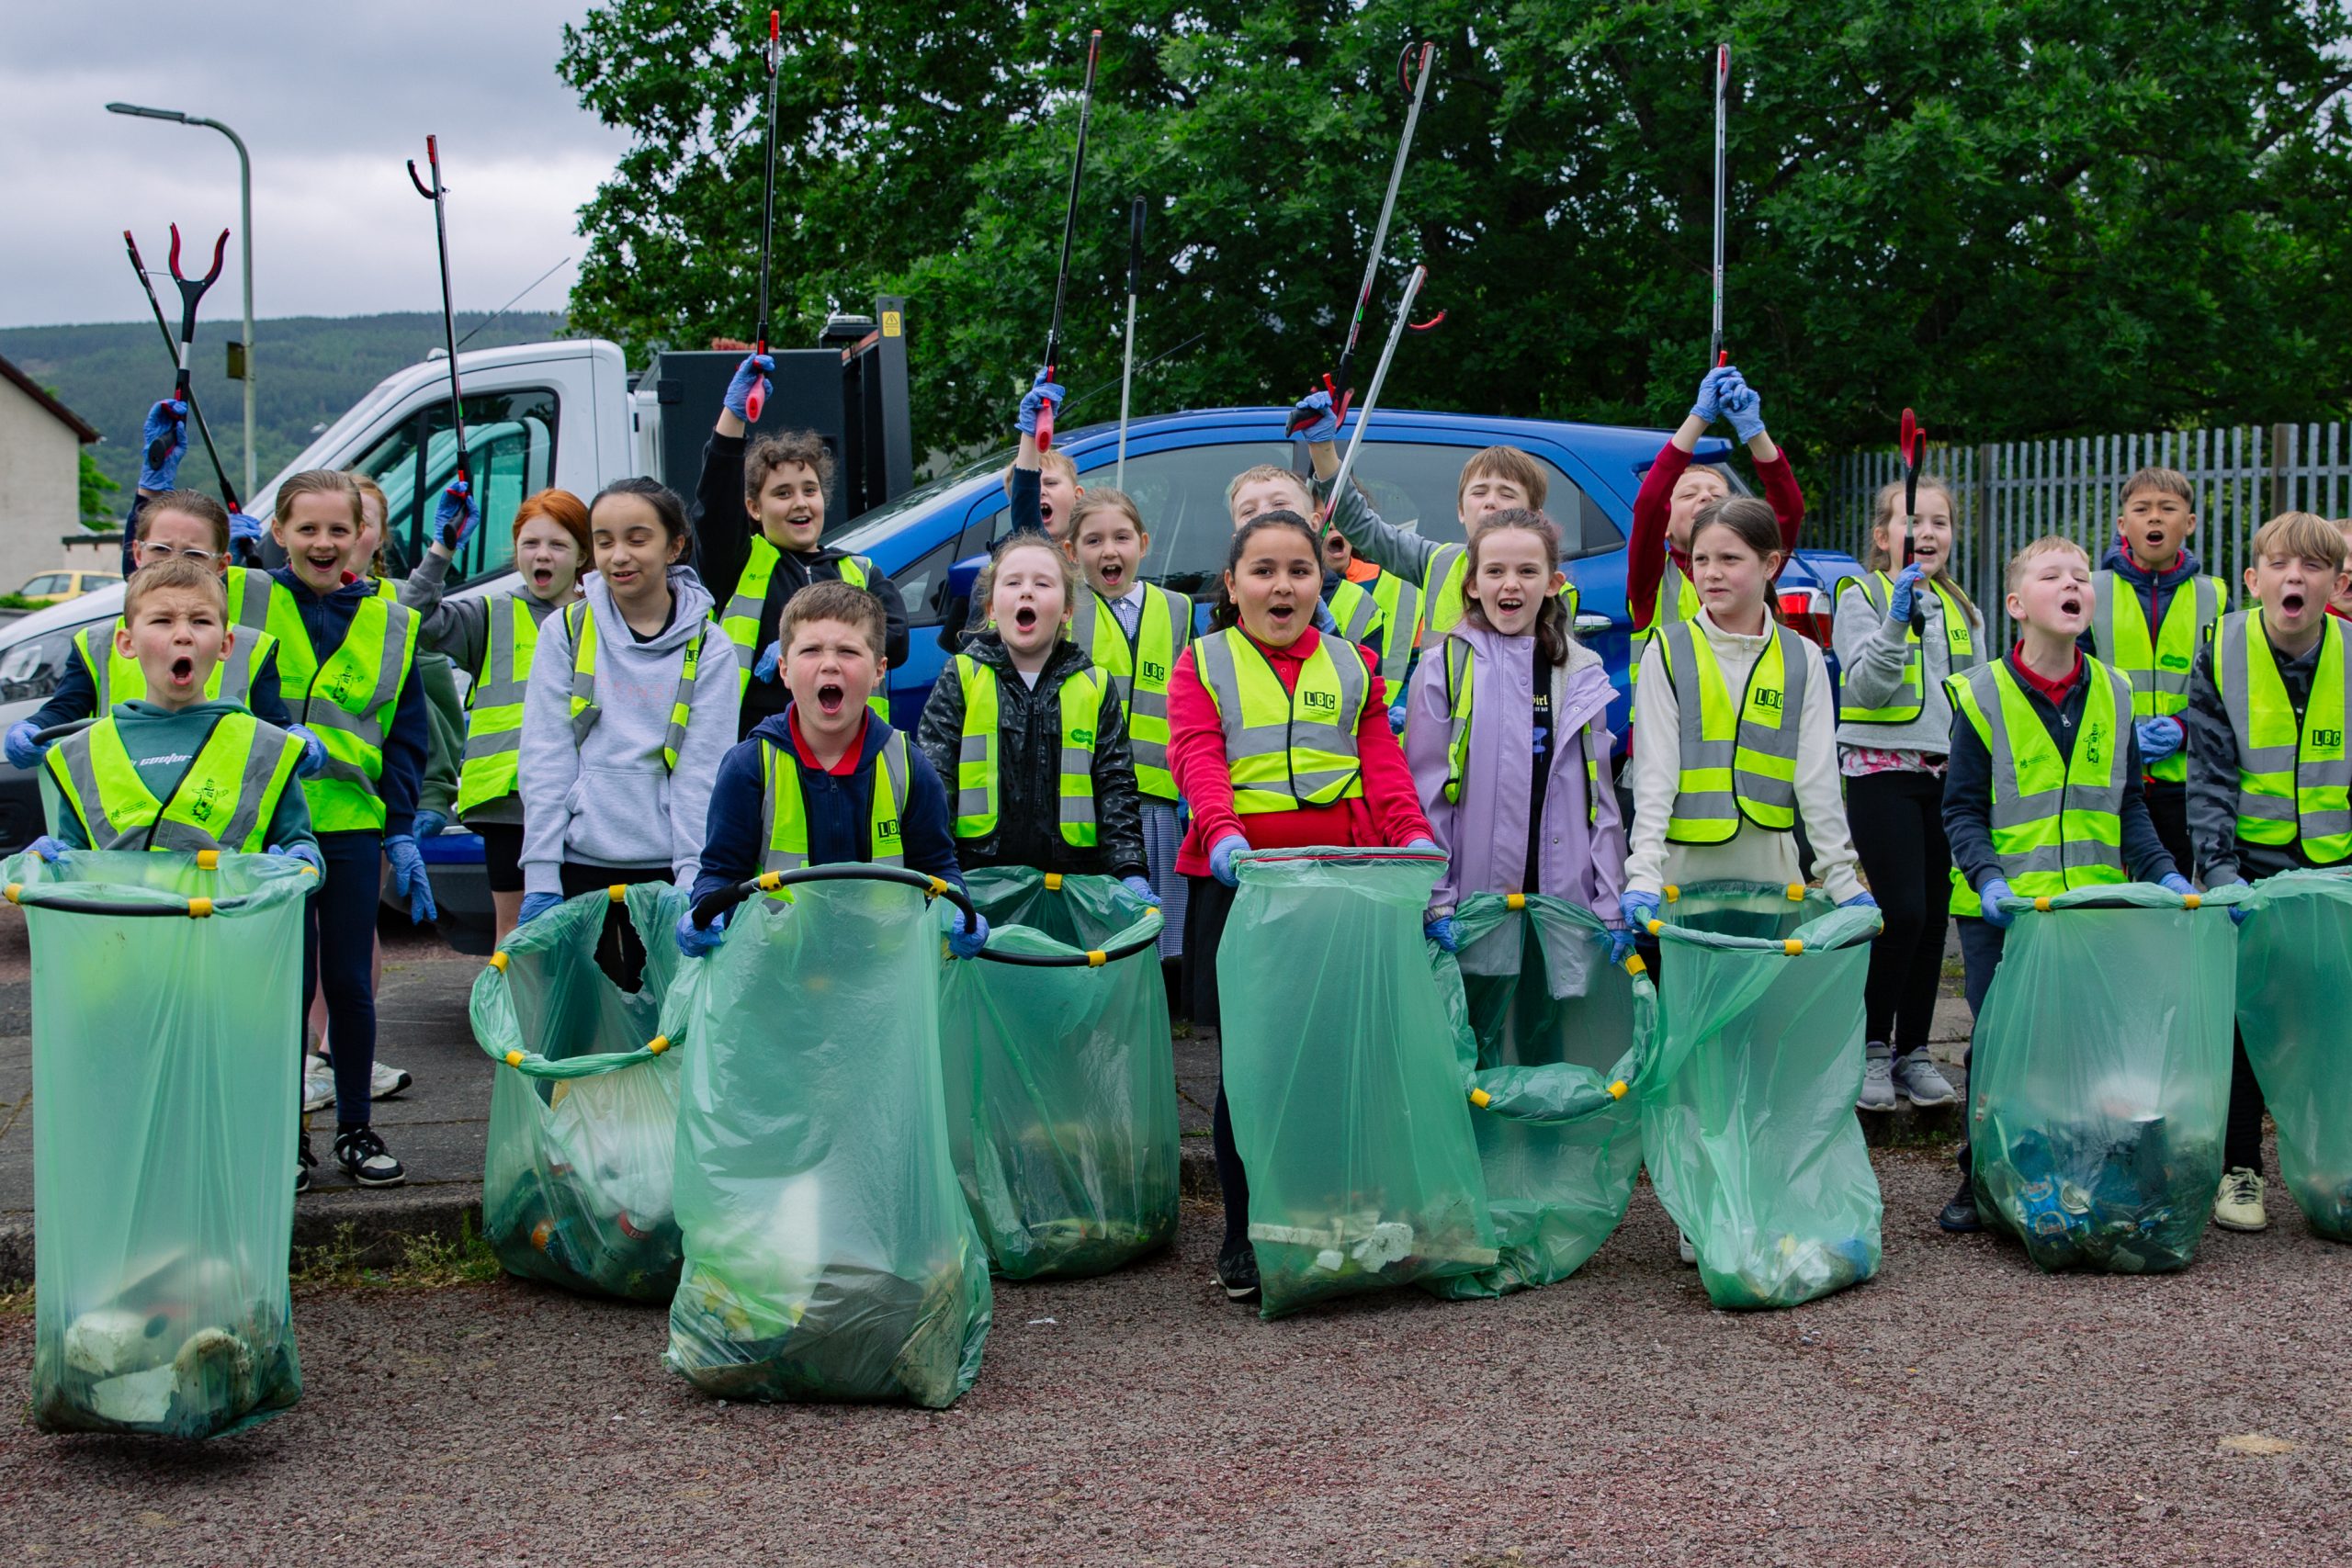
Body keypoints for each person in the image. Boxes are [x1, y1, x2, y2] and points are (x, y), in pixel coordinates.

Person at [1167, 511, 1438, 1303]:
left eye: (1299, 570)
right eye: (1263, 570)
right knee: (1248, 1070)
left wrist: (1412, 832)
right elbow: (1196, 752)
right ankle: (1246, 1233)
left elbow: (1381, 761)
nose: (1281, 584)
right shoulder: (1204, 662)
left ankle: (1337, 1223)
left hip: (1341, 885)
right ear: (1232, 584)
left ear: (1322, 584)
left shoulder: (1355, 665)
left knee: (1341, 1062)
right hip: (1245, 885)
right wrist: (1219, 833)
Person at [1937, 536, 2189, 1234]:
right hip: (2005, 914)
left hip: (2089, 907)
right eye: (2053, 575)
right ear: (2017, 604)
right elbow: (1960, 807)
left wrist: (2163, 871)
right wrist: (1987, 879)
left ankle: (2073, 1176)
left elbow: (2128, 805)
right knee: (1998, 1046)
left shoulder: (2114, 691)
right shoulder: (1981, 693)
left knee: (2081, 1044)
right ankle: (1979, 1176)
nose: (2073, 583)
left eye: (2082, 575)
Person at [263, 469, 436, 1192]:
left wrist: (399, 828)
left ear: (362, 534)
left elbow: (406, 735)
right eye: (307, 528)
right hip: (269, 831)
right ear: (278, 532)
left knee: (348, 987)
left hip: (351, 829)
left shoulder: (392, 621)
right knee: (282, 988)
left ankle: (356, 1129)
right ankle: (285, 1138)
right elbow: (159, 578)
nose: (324, 542)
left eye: (340, 528)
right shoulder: (245, 599)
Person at [2186, 511, 2352, 1233]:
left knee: (2334, 1017)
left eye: (2313, 566)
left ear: (2337, 584)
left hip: (2336, 868)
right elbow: (2210, 775)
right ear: (2254, 579)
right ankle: (2239, 1169)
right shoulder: (2222, 648)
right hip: (2249, 867)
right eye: (2281, 564)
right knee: (2245, 1016)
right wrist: (2219, 870)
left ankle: (2331, 1163)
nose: (2296, 576)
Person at [516, 479, 740, 989]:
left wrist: (693, 879)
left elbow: (702, 772)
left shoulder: (711, 647)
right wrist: (542, 876)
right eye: (604, 540)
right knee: (579, 1035)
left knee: (664, 1031)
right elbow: (546, 759)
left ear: (675, 545)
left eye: (637, 539)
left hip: (667, 872)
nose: (618, 556)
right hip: (577, 866)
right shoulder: (567, 631)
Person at [684, 580, 975, 956]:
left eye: (849, 651)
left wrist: (956, 911)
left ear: (879, 670)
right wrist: (705, 913)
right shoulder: (749, 767)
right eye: (811, 650)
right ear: (784, 670)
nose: (830, 664)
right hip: (776, 977)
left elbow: (938, 868)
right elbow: (720, 873)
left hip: (883, 978)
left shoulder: (909, 766)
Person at [1404, 508, 1627, 951]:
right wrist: (1435, 898)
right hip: (1472, 905)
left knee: (1553, 1015)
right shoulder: (1444, 668)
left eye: (1528, 571)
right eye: (1494, 571)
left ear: (1552, 584)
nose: (1511, 584)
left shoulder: (1582, 672)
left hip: (1565, 904)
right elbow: (1427, 797)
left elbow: (1600, 802)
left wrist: (1612, 903)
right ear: (1472, 584)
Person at [1832, 475, 1978, 1113]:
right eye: (1913, 519)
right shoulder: (1859, 594)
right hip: (1880, 772)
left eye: (1940, 522)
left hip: (1946, 779)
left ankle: (1913, 1051)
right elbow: (1863, 687)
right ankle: (1866, 1046)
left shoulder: (1964, 608)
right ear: (1882, 534)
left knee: (1933, 920)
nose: (1928, 532)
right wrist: (1896, 621)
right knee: (1902, 912)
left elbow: (1977, 700)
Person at [31, 557, 317, 868]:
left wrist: (300, 859)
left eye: (201, 621)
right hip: (119, 917)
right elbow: (76, 851)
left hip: (227, 916)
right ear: (127, 643)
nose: (183, 634)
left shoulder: (268, 748)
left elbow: (296, 840)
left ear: (225, 645)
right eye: (162, 621)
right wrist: (56, 862)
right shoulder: (83, 751)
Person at [400, 487, 592, 942]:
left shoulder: (603, 618)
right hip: (509, 805)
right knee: (515, 930)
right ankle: (516, 1016)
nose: (542, 555)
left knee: (585, 929)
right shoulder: (489, 614)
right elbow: (410, 620)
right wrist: (443, 547)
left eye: (558, 545)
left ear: (583, 553)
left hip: (583, 797)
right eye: (531, 544)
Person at [916, 533, 1150, 894]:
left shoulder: (1095, 685)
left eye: (1043, 583)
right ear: (992, 608)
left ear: (1067, 611)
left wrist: (1128, 868)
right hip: (978, 876)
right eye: (1013, 583)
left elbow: (1115, 786)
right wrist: (940, 871)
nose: (1027, 591)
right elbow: (935, 780)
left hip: (1074, 881)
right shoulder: (962, 676)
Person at [693, 356, 907, 738]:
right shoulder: (740, 563)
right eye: (782, 493)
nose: (800, 503)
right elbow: (714, 507)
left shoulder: (859, 570)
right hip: (758, 748)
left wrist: (807, 644)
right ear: (754, 508)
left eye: (810, 490)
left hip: (848, 752)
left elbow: (898, 640)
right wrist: (732, 419)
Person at [6, 490, 311, 758]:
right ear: (138, 553)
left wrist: (295, 740)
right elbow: (65, 710)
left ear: (222, 565)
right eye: (160, 549)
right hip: (123, 810)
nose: (173, 562)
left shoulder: (253, 647)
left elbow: (272, 728)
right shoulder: (95, 642)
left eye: (194, 553)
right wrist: (35, 727)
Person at [1299, 408, 1564, 650]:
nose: (1490, 502)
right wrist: (1322, 448)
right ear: (1461, 510)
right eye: (1479, 492)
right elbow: (1361, 526)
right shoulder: (1438, 562)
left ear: (1534, 516)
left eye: (1506, 494)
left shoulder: (1552, 587)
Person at [1063, 490, 1193, 982]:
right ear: (1072, 552)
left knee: (1159, 925)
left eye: (1121, 538)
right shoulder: (1067, 606)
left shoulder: (1177, 609)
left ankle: (1157, 1003)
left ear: (1143, 543)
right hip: (1090, 795)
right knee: (1103, 926)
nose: (1109, 551)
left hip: (1160, 794)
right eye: (1093, 540)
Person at [2085, 466, 2229, 874]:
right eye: (2141, 508)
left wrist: (2183, 727)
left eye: (2168, 508)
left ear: (2189, 522)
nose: (2154, 517)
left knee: (2172, 885)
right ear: (2122, 524)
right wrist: (2123, 734)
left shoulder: (2213, 596)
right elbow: (2075, 675)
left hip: (2181, 778)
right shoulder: (2091, 589)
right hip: (2107, 767)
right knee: (2108, 883)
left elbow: (2227, 688)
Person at [1624, 366, 1804, 682]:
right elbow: (1649, 503)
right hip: (1665, 730)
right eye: (1689, 494)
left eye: (1717, 495)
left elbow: (1789, 509)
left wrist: (1755, 433)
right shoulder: (1651, 581)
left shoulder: (1753, 566)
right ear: (1665, 525)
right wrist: (1698, 419)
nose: (1705, 499)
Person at [937, 370, 1082, 651]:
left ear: (1078, 496)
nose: (1041, 490)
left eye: (1051, 482)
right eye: (1030, 487)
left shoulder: (1092, 559)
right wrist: (1030, 435)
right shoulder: (995, 570)